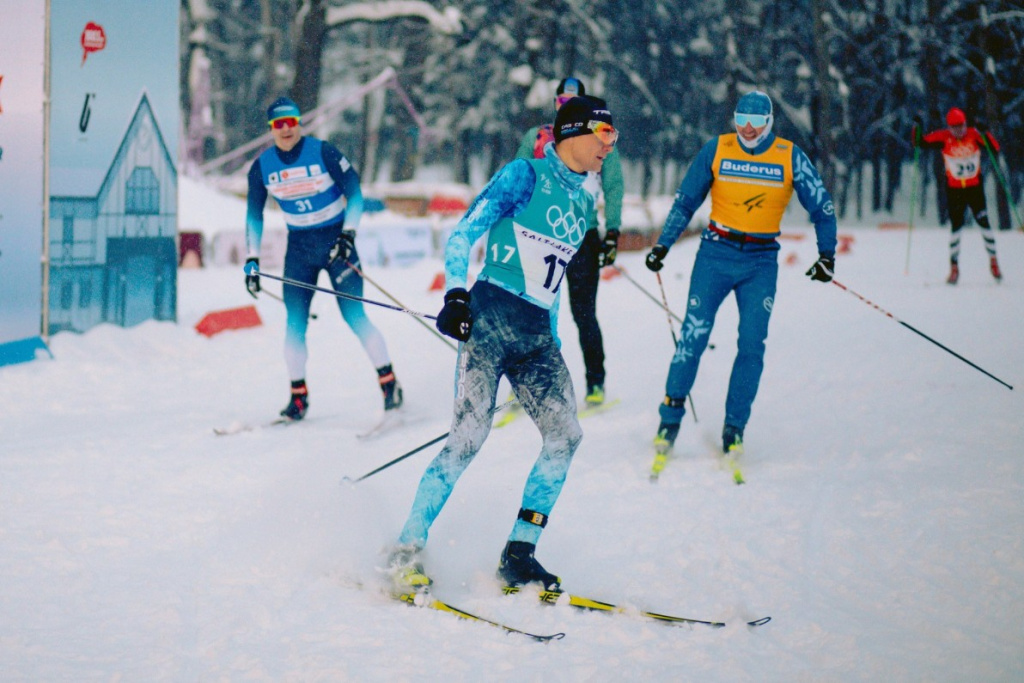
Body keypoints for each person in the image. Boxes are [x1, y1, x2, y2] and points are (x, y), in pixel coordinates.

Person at [386, 96, 618, 594]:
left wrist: (553, 340)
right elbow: (461, 234)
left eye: (614, 136)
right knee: (468, 438)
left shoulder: (584, 202)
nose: (610, 145)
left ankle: (519, 555)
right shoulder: (523, 175)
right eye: (604, 134)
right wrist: (456, 295)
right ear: (573, 132)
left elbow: (552, 280)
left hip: (536, 336)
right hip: (490, 319)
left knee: (566, 436)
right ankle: (405, 548)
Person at [644, 90, 837, 457]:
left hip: (759, 262)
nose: (748, 129)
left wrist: (827, 254)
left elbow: (822, 206)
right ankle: (669, 418)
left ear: (770, 123)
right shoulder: (717, 148)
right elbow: (686, 201)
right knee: (693, 337)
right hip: (715, 255)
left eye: (757, 122)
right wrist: (662, 245)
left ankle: (735, 426)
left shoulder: (789, 155)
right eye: (741, 121)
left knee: (751, 344)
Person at [244, 96, 403, 421]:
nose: (286, 129)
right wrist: (252, 259)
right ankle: (298, 397)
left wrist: (348, 235)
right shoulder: (262, 166)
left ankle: (389, 384)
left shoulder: (323, 152)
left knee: (355, 316)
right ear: (271, 129)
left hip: (336, 243)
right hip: (299, 249)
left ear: (299, 123)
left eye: (291, 122)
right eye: (278, 124)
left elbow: (354, 193)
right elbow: (253, 215)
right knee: (294, 323)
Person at [515, 77, 624, 405]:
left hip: (582, 237)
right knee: (531, 312)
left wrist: (612, 232)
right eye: (562, 102)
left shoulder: (600, 138)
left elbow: (614, 185)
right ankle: (524, 385)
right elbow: (518, 176)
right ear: (555, 104)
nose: (567, 107)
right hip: (541, 235)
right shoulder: (537, 137)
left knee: (583, 312)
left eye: (574, 103)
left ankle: (596, 384)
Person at [916, 107, 1002, 284]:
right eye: (954, 127)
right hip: (955, 190)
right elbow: (921, 143)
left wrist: (985, 132)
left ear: (965, 124)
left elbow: (995, 148)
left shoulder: (973, 135)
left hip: (974, 188)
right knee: (956, 227)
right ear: (949, 127)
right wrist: (917, 127)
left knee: (984, 223)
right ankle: (954, 267)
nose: (959, 131)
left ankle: (993, 261)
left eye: (961, 126)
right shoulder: (944, 137)